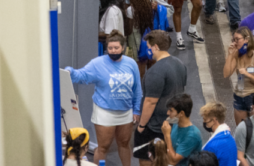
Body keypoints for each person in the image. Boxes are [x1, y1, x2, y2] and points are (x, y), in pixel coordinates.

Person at [64, 31, 141, 166]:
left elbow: (137, 89)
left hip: (126, 111)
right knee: (103, 147)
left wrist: (137, 110)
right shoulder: (98, 63)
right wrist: (70, 72)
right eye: (110, 48)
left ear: (123, 47)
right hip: (105, 112)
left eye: (116, 48)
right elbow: (82, 75)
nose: (113, 50)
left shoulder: (131, 64)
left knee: (124, 144)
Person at [135, 31, 188, 166]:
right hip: (173, 124)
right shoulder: (180, 64)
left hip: (155, 127)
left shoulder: (155, 71)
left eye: (149, 46)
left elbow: (150, 102)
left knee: (148, 160)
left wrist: (141, 126)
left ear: (156, 47)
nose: (148, 50)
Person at [223, 27, 254, 125]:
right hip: (239, 95)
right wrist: (230, 55)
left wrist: (248, 74)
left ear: (246, 39)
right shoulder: (236, 55)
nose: (235, 42)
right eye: (233, 40)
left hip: (253, 96)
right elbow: (226, 74)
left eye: (237, 39)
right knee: (241, 130)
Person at [162, 93, 204, 166]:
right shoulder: (176, 124)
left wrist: (167, 135)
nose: (167, 113)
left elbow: (173, 160)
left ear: (181, 113)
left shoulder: (192, 135)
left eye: (171, 110)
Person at [200, 102, 238, 166]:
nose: (204, 122)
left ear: (214, 120)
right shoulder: (231, 139)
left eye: (205, 119)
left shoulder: (212, 146)